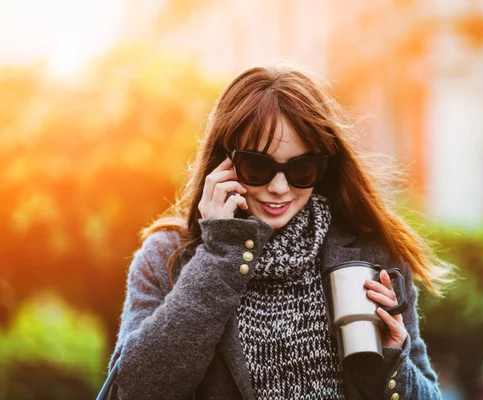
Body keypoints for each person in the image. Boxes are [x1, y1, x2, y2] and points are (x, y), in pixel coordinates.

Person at [105, 62, 452, 400]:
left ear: (324, 167)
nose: (279, 188)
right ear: (225, 162)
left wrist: (393, 363)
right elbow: (136, 388)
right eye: (258, 166)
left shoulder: (373, 254)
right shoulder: (167, 258)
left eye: (302, 169)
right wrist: (219, 253)